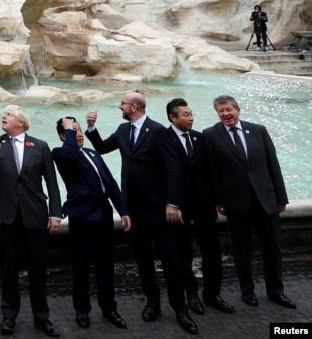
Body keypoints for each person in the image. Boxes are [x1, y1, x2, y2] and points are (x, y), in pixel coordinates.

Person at [85, 91, 197, 335]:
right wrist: (91, 129)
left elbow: (172, 169)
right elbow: (103, 148)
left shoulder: (158, 131)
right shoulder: (124, 131)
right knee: (143, 259)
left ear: (134, 107)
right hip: (133, 209)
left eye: (122, 104)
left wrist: (173, 204)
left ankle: (180, 309)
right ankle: (152, 302)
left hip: (159, 209)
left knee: (171, 259)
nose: (119, 107)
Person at [203, 95, 294, 309]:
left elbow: (273, 165)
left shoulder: (258, 130)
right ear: (217, 113)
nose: (225, 114)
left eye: (228, 110)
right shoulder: (210, 135)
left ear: (238, 110)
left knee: (273, 249)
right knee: (241, 251)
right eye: (221, 111)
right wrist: (218, 200)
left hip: (266, 200)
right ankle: (247, 291)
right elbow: (213, 172)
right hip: (235, 203)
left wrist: (281, 196)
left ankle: (276, 291)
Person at [0, 106, 62, 337]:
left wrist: (55, 214)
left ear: (21, 123)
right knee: (8, 268)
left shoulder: (40, 146)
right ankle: (8, 316)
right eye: (3, 114)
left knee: (38, 269)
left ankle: (42, 317)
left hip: (35, 217)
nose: (4, 117)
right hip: (6, 217)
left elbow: (52, 184)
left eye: (9, 115)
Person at [51, 117, 131, 330]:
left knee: (106, 266)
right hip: (82, 217)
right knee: (81, 266)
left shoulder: (94, 154)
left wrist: (123, 210)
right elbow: (71, 156)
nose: (79, 134)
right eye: (72, 131)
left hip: (103, 215)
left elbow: (110, 183)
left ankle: (109, 308)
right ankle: (82, 310)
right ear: (63, 135)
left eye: (79, 130)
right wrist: (68, 131)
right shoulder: (60, 153)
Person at [165, 98, 235, 316]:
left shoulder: (200, 137)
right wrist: (170, 203)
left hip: (204, 204)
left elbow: (210, 170)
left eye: (191, 113)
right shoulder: (163, 139)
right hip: (179, 207)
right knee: (183, 253)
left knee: (212, 251)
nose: (191, 118)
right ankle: (191, 294)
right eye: (186, 114)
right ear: (172, 117)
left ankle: (212, 294)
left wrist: (218, 199)